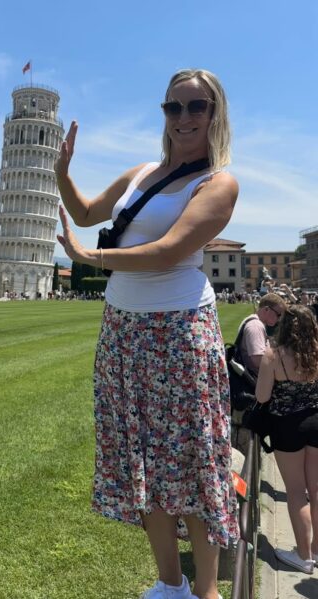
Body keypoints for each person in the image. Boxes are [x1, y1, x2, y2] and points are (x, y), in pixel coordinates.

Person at [56, 69, 238, 599]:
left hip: (179, 333)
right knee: (143, 462)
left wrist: (92, 257)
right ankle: (169, 583)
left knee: (191, 464)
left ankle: (205, 591)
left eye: (196, 107)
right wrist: (62, 173)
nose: (183, 118)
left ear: (214, 114)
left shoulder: (218, 182)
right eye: (173, 107)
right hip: (123, 330)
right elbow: (87, 211)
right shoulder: (143, 172)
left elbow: (171, 250)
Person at [256, 305, 318, 574]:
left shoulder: (274, 355)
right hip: (316, 422)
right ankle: (315, 550)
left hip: (287, 426)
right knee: (316, 491)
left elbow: (262, 397)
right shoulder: (316, 353)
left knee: (296, 492)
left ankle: (303, 556)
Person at [238, 292, 287, 376]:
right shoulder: (256, 326)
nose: (279, 319)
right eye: (278, 314)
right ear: (266, 309)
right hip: (254, 380)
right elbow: (258, 360)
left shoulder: (253, 321)